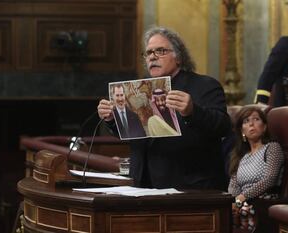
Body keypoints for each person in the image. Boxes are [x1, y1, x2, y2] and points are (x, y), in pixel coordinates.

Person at [98, 26, 232, 189]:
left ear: (178, 58)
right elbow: (134, 133)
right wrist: (113, 119)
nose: (152, 57)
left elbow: (223, 127)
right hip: (143, 186)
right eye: (148, 53)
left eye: (160, 51)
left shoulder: (205, 85)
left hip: (190, 187)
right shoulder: (138, 89)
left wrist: (192, 112)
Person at [227, 106, 284, 230]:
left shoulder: (272, 148)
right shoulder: (241, 155)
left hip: (264, 202)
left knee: (244, 211)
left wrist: (241, 198)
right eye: (246, 121)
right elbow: (234, 186)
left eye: (256, 119)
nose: (251, 124)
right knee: (223, 213)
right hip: (243, 202)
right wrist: (233, 204)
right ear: (242, 130)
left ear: (264, 127)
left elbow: (269, 179)